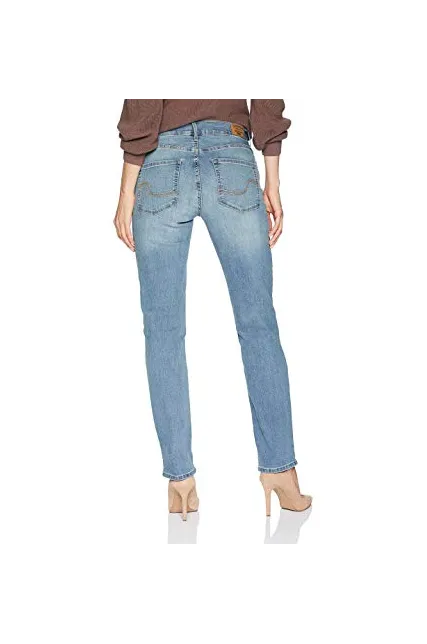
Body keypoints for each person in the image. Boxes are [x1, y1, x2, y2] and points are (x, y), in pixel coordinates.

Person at [114, 98, 311, 520]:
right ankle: (282, 474)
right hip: (232, 155)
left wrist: (127, 187)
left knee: (163, 331)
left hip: (160, 159)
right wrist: (273, 177)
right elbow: (266, 90)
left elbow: (144, 97)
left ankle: (180, 484)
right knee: (258, 325)